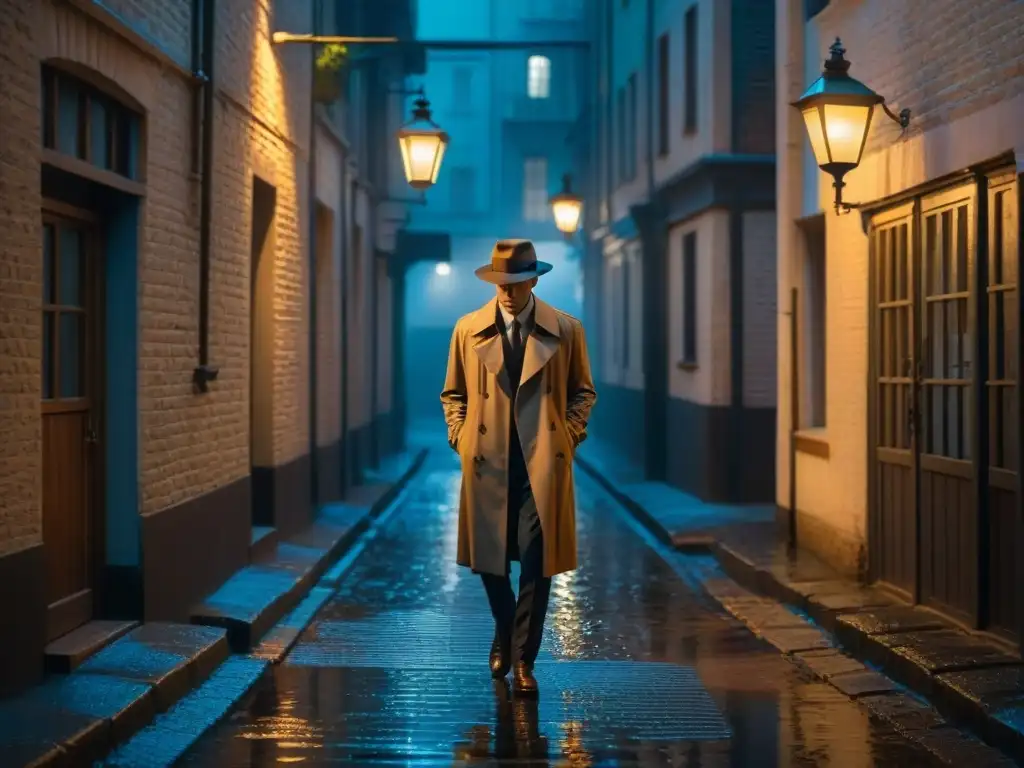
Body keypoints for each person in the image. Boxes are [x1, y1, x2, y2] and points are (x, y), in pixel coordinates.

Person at [440, 238, 597, 696]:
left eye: (516, 282)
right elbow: (453, 395)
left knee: (536, 561)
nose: (507, 292)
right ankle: (505, 631)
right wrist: (462, 438)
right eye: (500, 283)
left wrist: (567, 436)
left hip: (541, 463)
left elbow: (583, 393)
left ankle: (525, 661)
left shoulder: (566, 330)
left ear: (534, 279)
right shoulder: (468, 329)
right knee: (490, 564)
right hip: (488, 461)